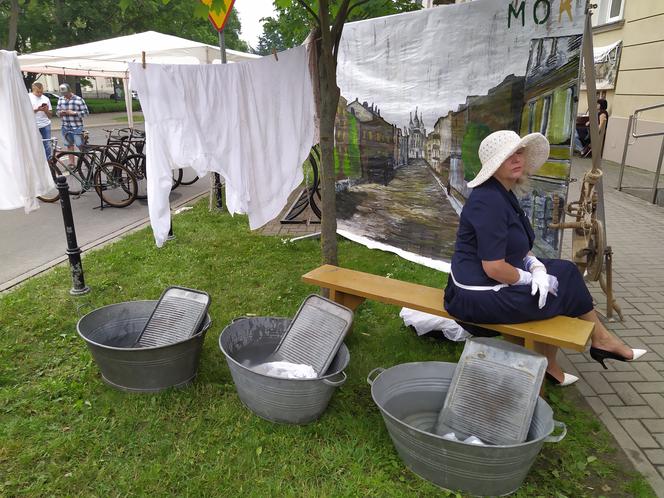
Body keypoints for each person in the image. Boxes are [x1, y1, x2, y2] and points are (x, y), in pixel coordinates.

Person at [444, 130, 646, 386]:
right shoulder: (489, 201)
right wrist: (531, 279)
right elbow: (494, 267)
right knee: (559, 291)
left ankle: (571, 353)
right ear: (494, 164)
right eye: (508, 155)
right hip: (476, 295)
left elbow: (515, 248)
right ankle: (586, 347)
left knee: (566, 272)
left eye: (519, 152)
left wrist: (535, 265)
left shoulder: (502, 194)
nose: (517, 158)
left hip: (486, 285)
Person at [56, 83, 89, 153]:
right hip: (65, 126)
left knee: (79, 144)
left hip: (76, 126)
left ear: (69, 91)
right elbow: (57, 113)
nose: (65, 95)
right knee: (69, 145)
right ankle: (71, 163)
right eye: (63, 94)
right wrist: (61, 113)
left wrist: (74, 113)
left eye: (66, 93)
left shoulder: (78, 99)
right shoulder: (60, 99)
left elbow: (86, 113)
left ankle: (86, 160)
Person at [29, 82, 52, 159]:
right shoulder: (28, 97)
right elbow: (25, 113)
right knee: (34, 144)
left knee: (47, 144)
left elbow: (50, 115)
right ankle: (36, 161)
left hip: (45, 124)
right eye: (37, 92)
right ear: (33, 90)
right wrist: (37, 110)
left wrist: (46, 110)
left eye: (41, 92)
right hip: (32, 125)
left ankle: (49, 163)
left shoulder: (46, 99)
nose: (40, 94)